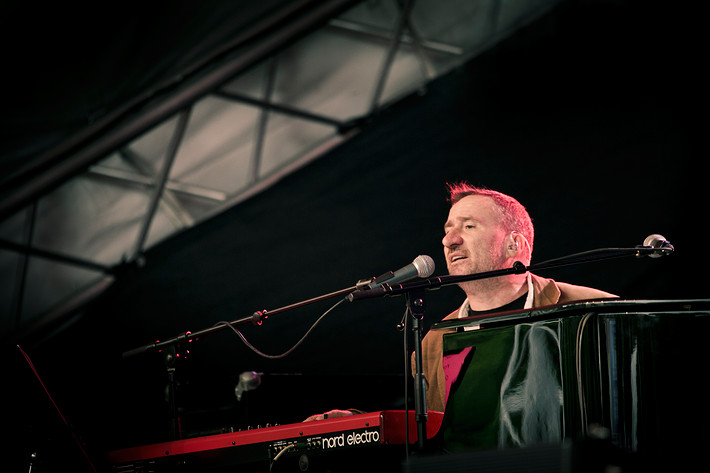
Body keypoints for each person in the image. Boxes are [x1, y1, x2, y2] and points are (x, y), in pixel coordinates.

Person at [304, 182, 616, 421]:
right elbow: (439, 438)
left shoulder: (595, 311)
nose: (449, 240)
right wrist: (364, 424)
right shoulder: (432, 344)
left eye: (468, 226)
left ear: (513, 245)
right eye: (448, 229)